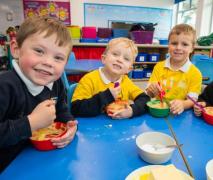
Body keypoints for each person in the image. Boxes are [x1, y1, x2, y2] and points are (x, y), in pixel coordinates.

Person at [0, 16, 78, 172]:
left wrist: (70, 125)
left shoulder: (55, 83)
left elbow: (61, 110)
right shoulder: (5, 86)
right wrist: (31, 123)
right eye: (39, 51)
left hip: (39, 161)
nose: (48, 62)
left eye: (58, 57)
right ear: (16, 49)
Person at [71, 37, 150, 119]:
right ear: (104, 59)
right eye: (115, 54)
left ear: (129, 69)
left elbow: (145, 99)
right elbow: (76, 108)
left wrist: (131, 111)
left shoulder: (125, 81)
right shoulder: (89, 79)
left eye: (126, 59)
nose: (119, 60)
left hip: (118, 129)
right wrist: (107, 96)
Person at [146, 24, 202, 115]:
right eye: (174, 43)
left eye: (184, 44)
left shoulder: (195, 73)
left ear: (192, 48)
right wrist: (151, 90)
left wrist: (183, 104)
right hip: (158, 111)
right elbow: (150, 94)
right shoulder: (159, 67)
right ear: (168, 45)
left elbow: (192, 100)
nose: (178, 48)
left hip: (180, 114)